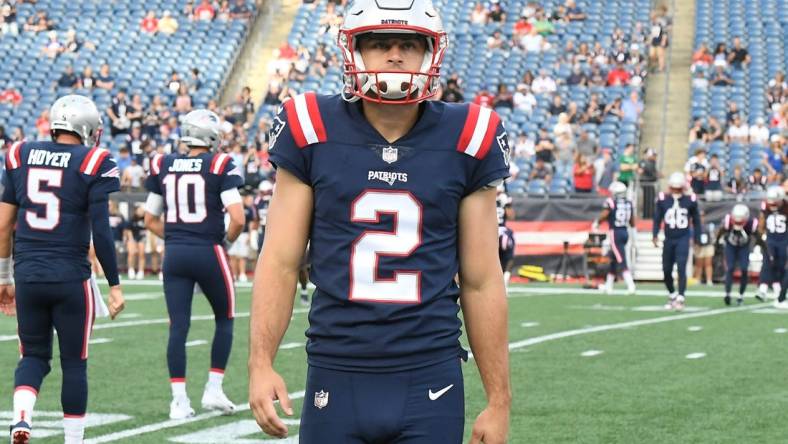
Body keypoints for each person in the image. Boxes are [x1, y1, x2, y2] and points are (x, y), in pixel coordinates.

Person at [248, 1, 511, 443]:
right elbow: (279, 261)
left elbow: (483, 280)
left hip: (431, 373)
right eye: (378, 43)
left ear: (431, 52)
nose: (394, 55)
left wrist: (499, 400)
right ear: (353, 51)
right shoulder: (310, 125)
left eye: (409, 43)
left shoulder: (469, 135)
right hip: (335, 367)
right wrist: (260, 363)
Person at [0, 95, 125, 443]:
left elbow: (2, 224)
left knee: (33, 355)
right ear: (86, 128)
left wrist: (3, 277)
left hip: (28, 275)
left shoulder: (20, 155)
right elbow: (101, 231)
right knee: (74, 362)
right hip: (71, 277)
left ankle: (22, 418)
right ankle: (73, 440)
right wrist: (115, 285)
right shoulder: (94, 160)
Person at [143, 109, 245, 419]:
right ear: (211, 136)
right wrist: (222, 242)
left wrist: (176, 236)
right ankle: (213, 388)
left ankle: (178, 400)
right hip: (208, 250)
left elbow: (149, 219)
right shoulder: (219, 164)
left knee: (178, 326)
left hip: (175, 253)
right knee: (225, 318)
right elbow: (238, 218)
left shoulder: (164, 163)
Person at [653, 172, 701, 310]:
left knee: (681, 267)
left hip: (683, 237)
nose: (675, 191)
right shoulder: (663, 199)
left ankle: (681, 296)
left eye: (678, 188)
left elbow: (696, 221)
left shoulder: (690, 200)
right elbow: (657, 219)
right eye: (673, 188)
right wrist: (655, 235)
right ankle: (672, 294)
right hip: (668, 238)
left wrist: (697, 239)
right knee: (666, 270)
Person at [593, 181, 636, 294]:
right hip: (625, 231)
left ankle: (631, 285)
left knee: (621, 259)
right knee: (614, 259)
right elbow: (632, 221)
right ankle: (608, 285)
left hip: (615, 232)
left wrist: (597, 222)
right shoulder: (628, 203)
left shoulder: (611, 202)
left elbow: (605, 214)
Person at [716, 204, 757, 306]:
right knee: (730, 268)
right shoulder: (728, 221)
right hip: (731, 246)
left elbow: (757, 237)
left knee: (744, 269)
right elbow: (721, 232)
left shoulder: (751, 223)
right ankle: (727, 293)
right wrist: (717, 243)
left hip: (744, 246)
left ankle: (741, 296)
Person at [757, 186, 787, 301]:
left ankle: (777, 287)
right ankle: (763, 288)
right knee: (768, 262)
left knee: (780, 264)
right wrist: (761, 234)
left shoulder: (786, 206)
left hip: (783, 240)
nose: (772, 204)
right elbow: (761, 220)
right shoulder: (766, 205)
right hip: (770, 239)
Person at [497, 186, 515, 289]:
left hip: (492, 232)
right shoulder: (503, 198)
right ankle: (505, 278)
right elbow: (511, 216)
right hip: (496, 232)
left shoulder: (503, 198)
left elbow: (511, 216)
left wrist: (506, 204)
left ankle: (505, 278)